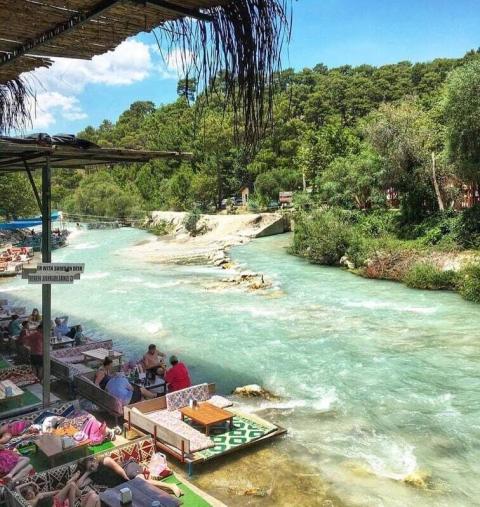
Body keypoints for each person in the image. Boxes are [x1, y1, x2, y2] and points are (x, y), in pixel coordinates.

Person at [76, 456, 181, 498]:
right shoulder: (94, 476)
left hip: (127, 469)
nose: (93, 466)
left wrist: (128, 480)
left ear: (95, 460)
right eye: (90, 467)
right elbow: (79, 485)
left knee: (140, 481)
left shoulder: (104, 460)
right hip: (123, 483)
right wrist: (88, 472)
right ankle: (166, 492)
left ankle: (171, 485)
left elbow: (119, 469)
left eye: (92, 463)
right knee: (142, 488)